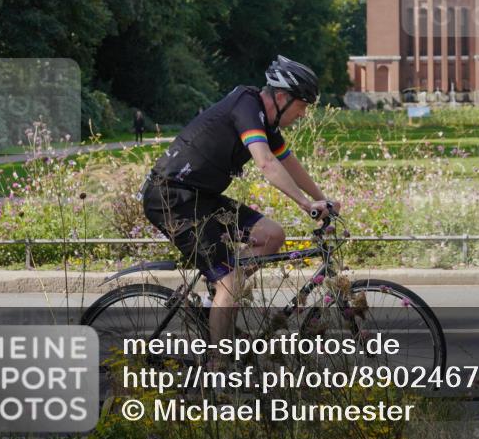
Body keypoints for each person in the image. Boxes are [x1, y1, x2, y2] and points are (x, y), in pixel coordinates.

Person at [140, 56, 339, 354]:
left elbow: (288, 161)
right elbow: (267, 163)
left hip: (201, 197)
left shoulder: (265, 120)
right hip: (171, 197)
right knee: (231, 282)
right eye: (303, 105)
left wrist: (322, 198)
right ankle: (220, 372)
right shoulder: (246, 107)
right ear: (282, 97)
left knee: (272, 235)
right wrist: (305, 203)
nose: (303, 114)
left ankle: (215, 305)